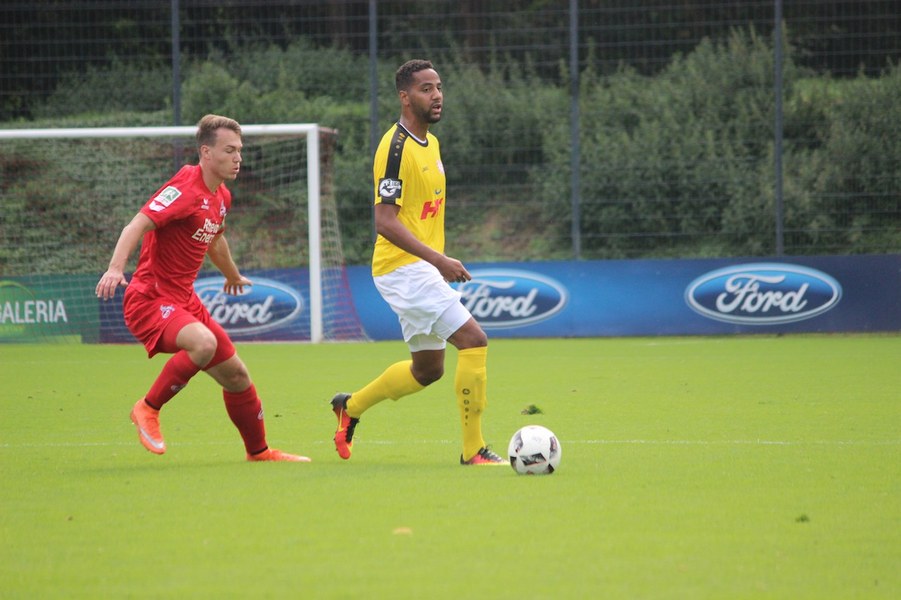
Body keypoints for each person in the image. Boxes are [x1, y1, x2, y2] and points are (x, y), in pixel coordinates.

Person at [95, 114, 310, 463]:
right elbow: (135, 225)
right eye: (229, 150)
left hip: (185, 301)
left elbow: (215, 241)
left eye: (239, 150)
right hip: (150, 299)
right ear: (206, 153)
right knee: (204, 343)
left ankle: (258, 452)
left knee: (237, 376)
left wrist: (233, 275)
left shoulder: (222, 195)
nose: (238, 158)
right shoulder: (184, 187)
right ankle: (147, 408)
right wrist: (115, 268)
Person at [330, 59, 504, 466]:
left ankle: (350, 407)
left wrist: (434, 259)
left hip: (419, 268)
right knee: (474, 340)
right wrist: (439, 260)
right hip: (403, 269)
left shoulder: (432, 144)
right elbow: (385, 221)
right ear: (405, 97)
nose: (437, 95)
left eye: (439, 86)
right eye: (426, 89)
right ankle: (473, 450)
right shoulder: (394, 149)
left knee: (427, 370)